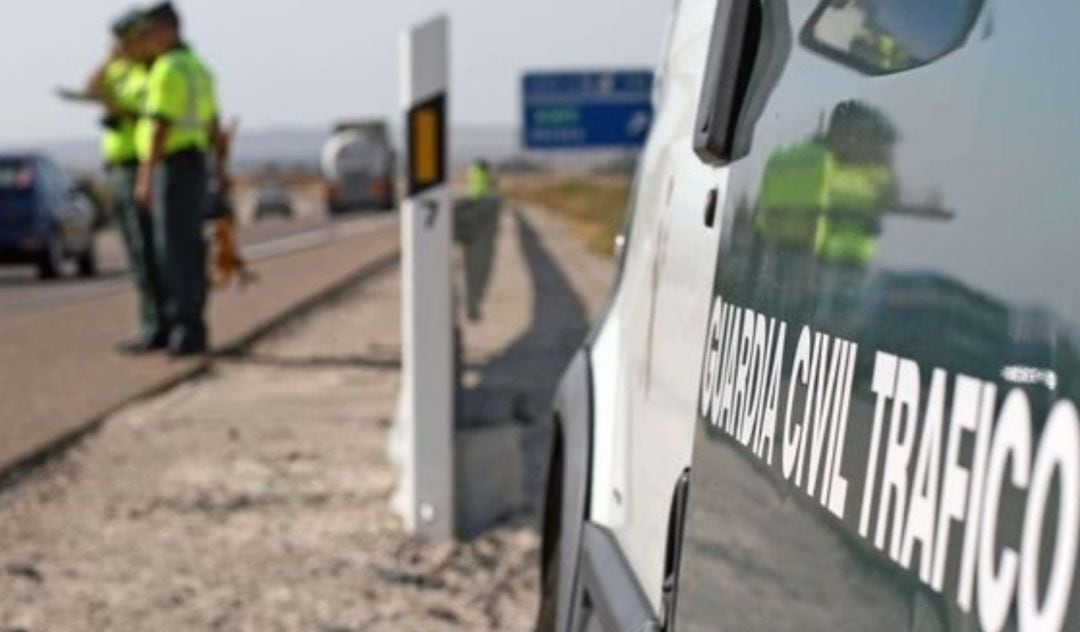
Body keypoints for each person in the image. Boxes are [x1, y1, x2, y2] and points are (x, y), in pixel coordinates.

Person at [59, 9, 167, 353]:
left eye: (126, 40)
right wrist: (109, 60)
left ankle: (160, 325)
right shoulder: (120, 69)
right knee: (137, 252)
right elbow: (91, 88)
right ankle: (152, 323)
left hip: (139, 165)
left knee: (150, 250)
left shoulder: (148, 72)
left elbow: (147, 112)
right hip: (118, 167)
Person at [134, 2, 226, 356]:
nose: (148, 41)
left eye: (151, 32)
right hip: (196, 164)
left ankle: (183, 329)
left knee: (172, 250)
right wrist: (219, 171)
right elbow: (214, 124)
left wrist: (144, 178)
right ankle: (193, 325)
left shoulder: (167, 69)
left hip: (172, 167)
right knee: (190, 247)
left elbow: (160, 125)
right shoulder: (198, 68)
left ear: (168, 30)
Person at [456, 159, 501, 321]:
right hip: (480, 223)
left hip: (473, 216)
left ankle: (471, 304)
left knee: (472, 271)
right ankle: (472, 305)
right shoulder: (492, 198)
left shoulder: (474, 172)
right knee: (478, 271)